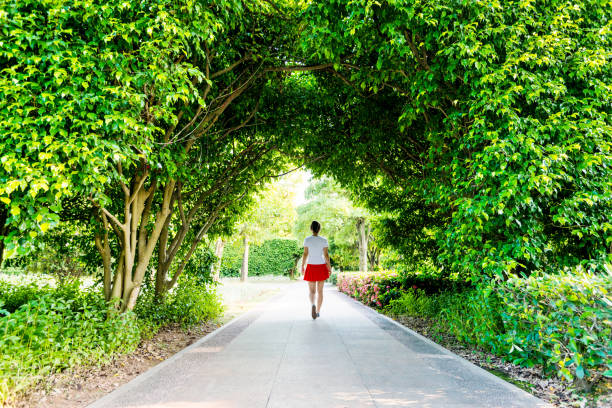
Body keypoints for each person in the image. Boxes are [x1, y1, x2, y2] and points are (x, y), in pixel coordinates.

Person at [302, 220, 332, 319]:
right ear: (319, 229)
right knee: (320, 291)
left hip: (311, 266)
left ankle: (312, 305)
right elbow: (326, 255)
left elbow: (305, 254)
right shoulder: (324, 240)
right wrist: (329, 267)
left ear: (311, 229)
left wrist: (302, 266)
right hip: (321, 266)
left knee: (312, 291)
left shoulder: (307, 240)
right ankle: (318, 311)